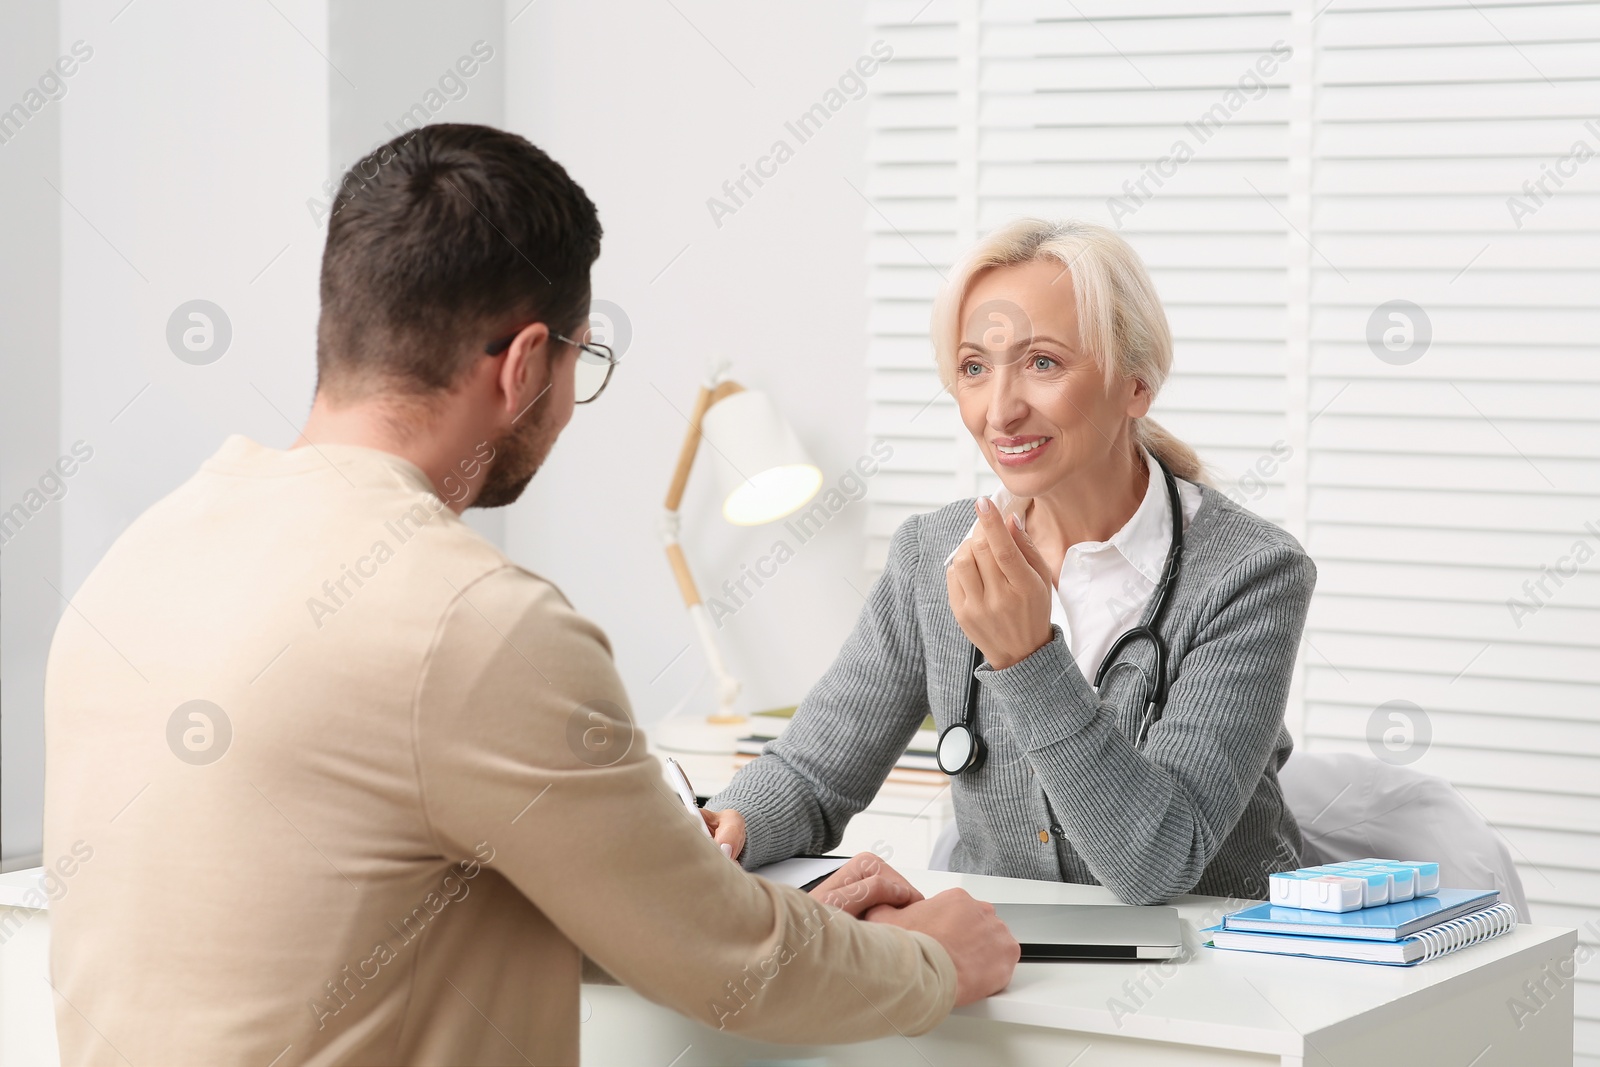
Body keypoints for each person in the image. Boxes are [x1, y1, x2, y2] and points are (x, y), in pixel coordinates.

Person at [41, 123, 1018, 1066]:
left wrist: (751, 918)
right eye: (579, 363)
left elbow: (348, 896)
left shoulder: (138, 559)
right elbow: (731, 971)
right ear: (521, 365)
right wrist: (930, 956)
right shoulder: (476, 622)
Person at [705, 218, 1317, 905]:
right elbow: (814, 774)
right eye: (973, 368)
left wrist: (1027, 659)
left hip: (1227, 969)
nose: (999, 411)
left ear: (1136, 385)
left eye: (1043, 363)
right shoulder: (931, 556)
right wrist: (729, 824)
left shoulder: (1251, 573)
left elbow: (1159, 864)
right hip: (1011, 963)